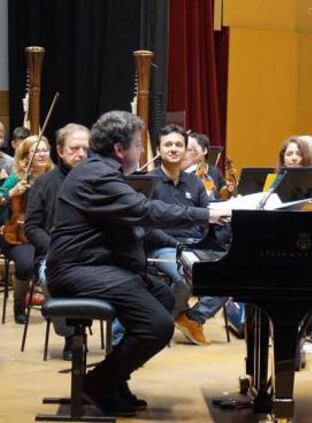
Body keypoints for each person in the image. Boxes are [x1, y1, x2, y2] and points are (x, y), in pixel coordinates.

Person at [45, 111, 229, 417]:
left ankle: (114, 380)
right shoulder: (98, 176)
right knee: (157, 326)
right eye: (138, 146)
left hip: (96, 265)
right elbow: (145, 210)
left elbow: (136, 222)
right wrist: (206, 214)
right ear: (120, 148)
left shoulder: (102, 170)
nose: (142, 152)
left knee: (165, 296)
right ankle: (98, 383)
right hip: (76, 270)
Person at [148, 124, 228, 346]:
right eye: (168, 144)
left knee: (232, 271)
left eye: (179, 145)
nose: (174, 149)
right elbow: (146, 225)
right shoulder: (148, 181)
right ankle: (161, 324)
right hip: (164, 246)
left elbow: (207, 216)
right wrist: (175, 244)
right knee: (185, 275)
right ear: (158, 150)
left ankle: (192, 318)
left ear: (185, 150)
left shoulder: (194, 182)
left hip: (196, 245)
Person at [25, 123, 90, 359]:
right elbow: (31, 226)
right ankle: (71, 335)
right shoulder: (43, 183)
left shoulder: (98, 182)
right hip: (53, 255)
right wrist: (55, 249)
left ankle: (119, 337)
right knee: (49, 277)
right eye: (74, 148)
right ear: (60, 151)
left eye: (85, 148)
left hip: (90, 255)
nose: (81, 154)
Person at [0, 136, 54, 323]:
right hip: (18, 236)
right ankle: (19, 305)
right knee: (25, 265)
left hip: (48, 234)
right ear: (25, 157)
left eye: (44, 150)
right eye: (36, 151)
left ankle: (54, 307)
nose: (41, 154)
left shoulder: (54, 177)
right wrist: (11, 193)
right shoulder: (16, 178)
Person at [183, 132, 233, 200]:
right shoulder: (183, 173)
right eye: (188, 149)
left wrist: (228, 190)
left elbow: (223, 195)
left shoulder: (215, 172)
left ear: (204, 150)